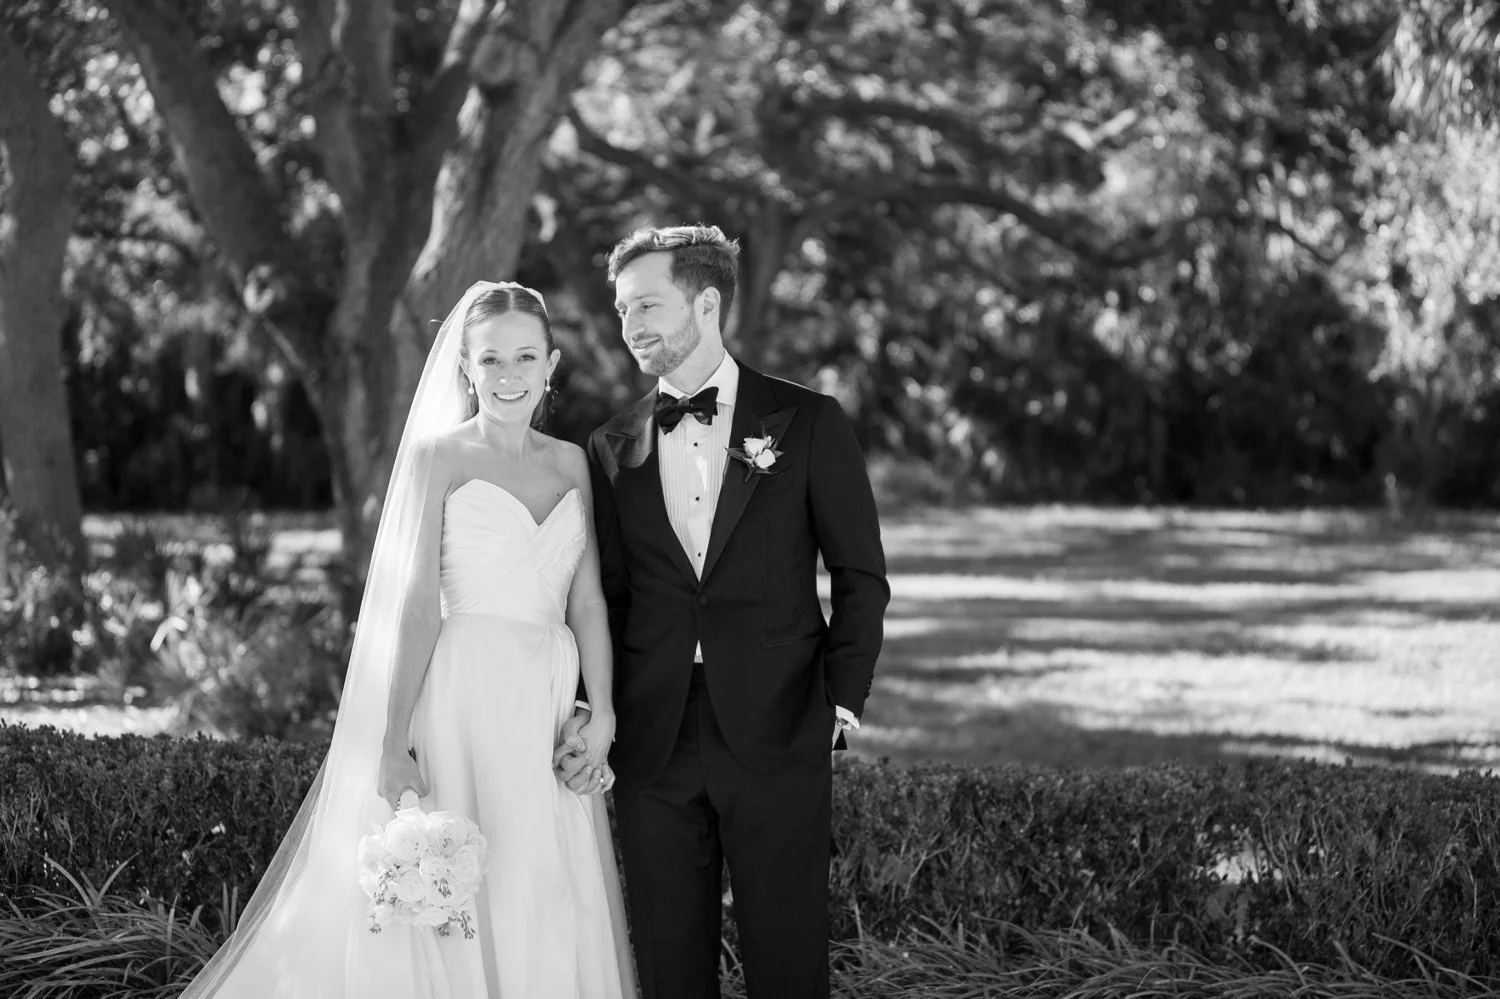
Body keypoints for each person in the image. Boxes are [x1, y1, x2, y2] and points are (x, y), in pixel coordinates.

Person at [180, 282, 636, 999]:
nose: (509, 374)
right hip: (463, 693)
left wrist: (601, 711)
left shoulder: (572, 462)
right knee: (469, 878)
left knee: (543, 881)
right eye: (491, 359)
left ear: (551, 363)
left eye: (525, 355)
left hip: (547, 698)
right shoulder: (440, 457)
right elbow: (419, 603)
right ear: (465, 366)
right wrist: (393, 741)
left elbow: (588, 599)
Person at [555, 225, 890, 999]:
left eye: (647, 304)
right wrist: (591, 705)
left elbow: (860, 574)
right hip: (654, 738)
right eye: (622, 308)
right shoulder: (611, 447)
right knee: (671, 965)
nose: (630, 325)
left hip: (781, 726)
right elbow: (602, 594)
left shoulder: (808, 422)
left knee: (787, 960)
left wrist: (840, 702)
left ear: (706, 302)